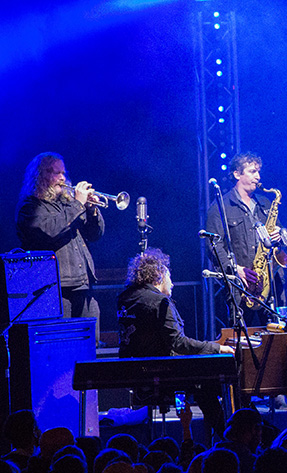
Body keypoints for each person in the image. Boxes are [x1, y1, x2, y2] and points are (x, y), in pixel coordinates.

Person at [117, 248, 233, 440]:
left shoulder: (125, 298)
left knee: (206, 379)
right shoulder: (159, 301)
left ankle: (221, 435)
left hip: (135, 371)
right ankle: (226, 436)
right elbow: (178, 343)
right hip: (163, 372)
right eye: (170, 276)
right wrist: (216, 347)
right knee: (213, 380)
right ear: (160, 275)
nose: (173, 283)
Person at [15, 152, 104, 323]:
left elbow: (94, 235)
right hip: (54, 289)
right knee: (61, 343)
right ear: (41, 175)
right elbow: (49, 231)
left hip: (83, 285)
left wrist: (92, 210)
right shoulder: (30, 207)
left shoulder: (67, 204)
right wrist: (78, 204)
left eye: (63, 173)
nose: (62, 178)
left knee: (90, 342)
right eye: (57, 173)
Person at [205, 151, 287, 322]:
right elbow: (213, 245)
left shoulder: (265, 203)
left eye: (258, 172)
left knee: (279, 335)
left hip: (270, 281)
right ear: (237, 174)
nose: (257, 177)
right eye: (252, 171)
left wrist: (279, 235)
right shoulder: (220, 206)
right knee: (241, 338)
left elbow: (279, 231)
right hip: (241, 284)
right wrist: (236, 269)